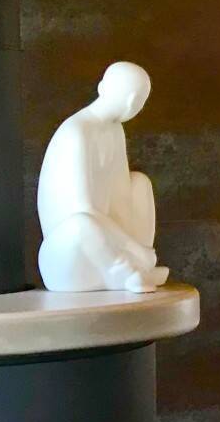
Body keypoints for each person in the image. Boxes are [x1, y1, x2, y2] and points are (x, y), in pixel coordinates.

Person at [36, 61, 167, 292]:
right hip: (68, 259)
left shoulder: (114, 130)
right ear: (133, 102)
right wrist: (134, 248)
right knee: (81, 224)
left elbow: (120, 197)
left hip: (104, 244)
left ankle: (139, 268)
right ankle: (128, 272)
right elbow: (84, 209)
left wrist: (139, 249)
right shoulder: (76, 132)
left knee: (139, 183)